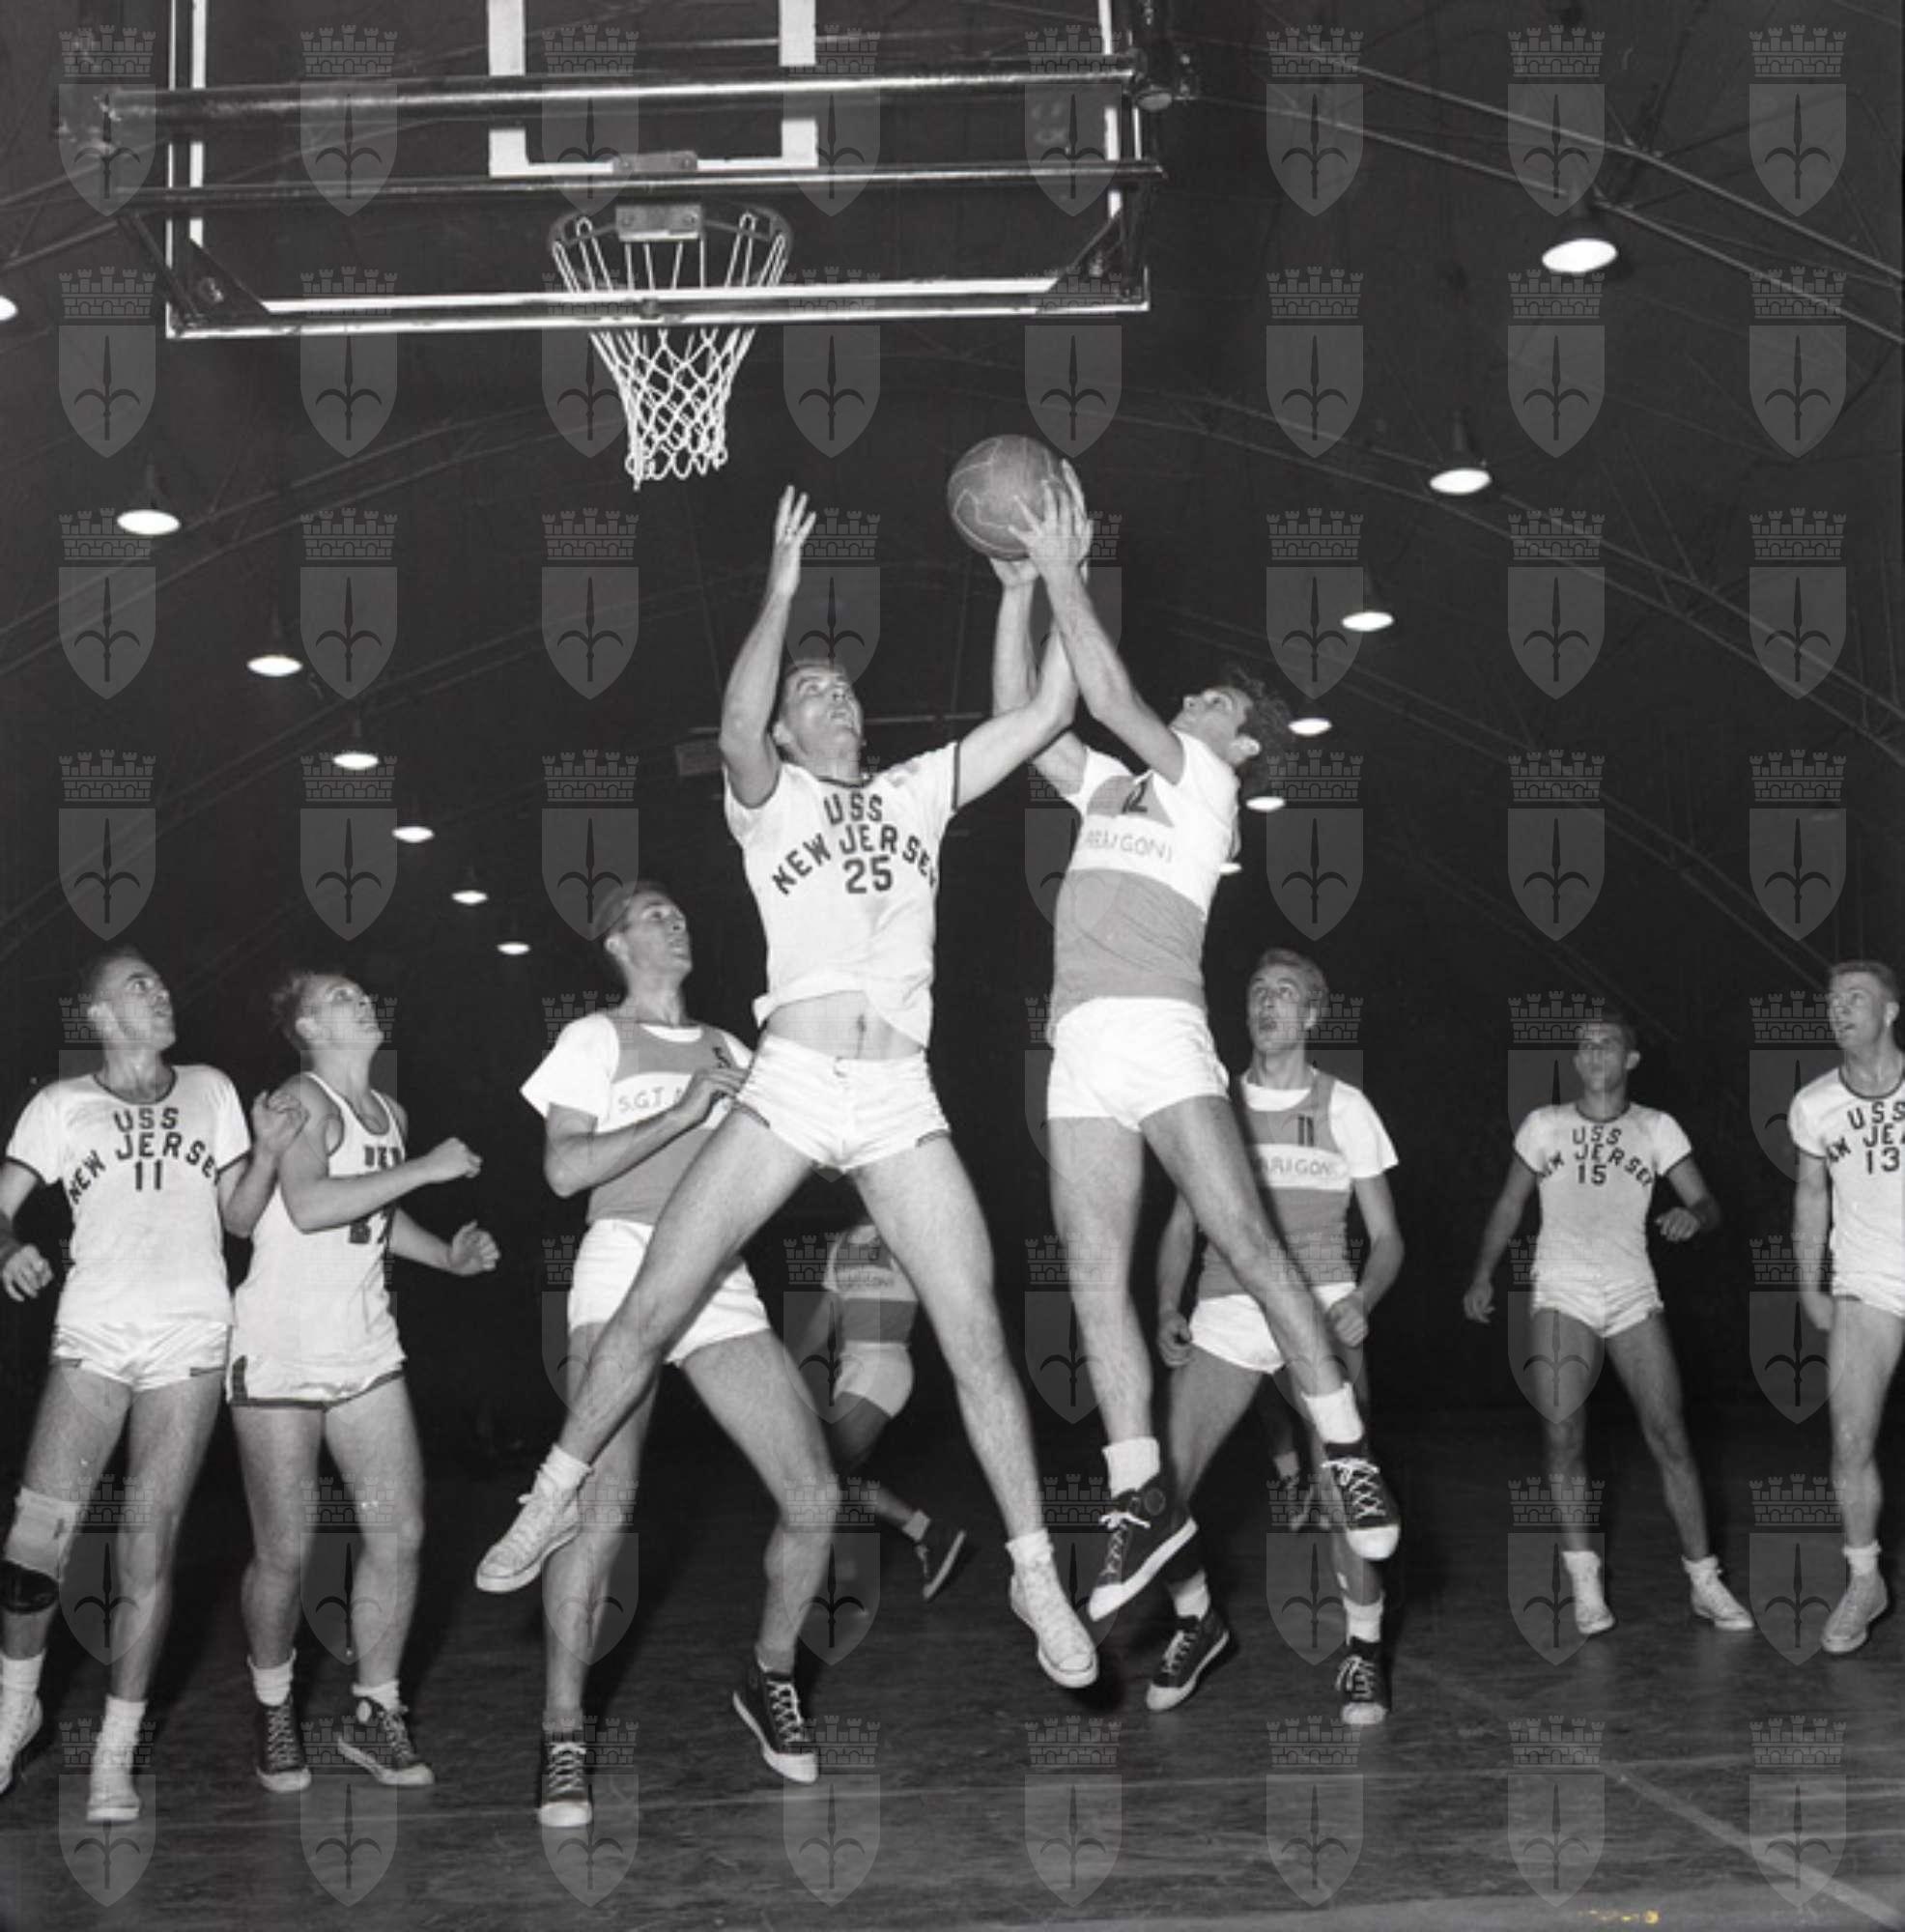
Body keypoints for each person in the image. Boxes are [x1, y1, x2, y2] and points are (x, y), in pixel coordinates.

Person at [478, 487, 1096, 1761]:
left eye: (845, 692)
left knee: (978, 1331)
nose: (837, 702)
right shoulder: (768, 803)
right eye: (815, 693)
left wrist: (1032, 582)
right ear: (784, 726)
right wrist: (776, 589)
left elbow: (1043, 711)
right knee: (656, 1296)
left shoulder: (918, 789)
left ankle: (1037, 1572)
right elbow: (734, 723)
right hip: (796, 1076)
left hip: (898, 1092)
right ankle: (551, 1494)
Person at [997, 472, 1398, 1622]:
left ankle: (1343, 1443)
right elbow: (1023, 722)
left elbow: (1110, 690)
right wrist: (1018, 593)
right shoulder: (1117, 784)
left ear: (1242, 737)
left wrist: (1066, 569)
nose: (1192, 698)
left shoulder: (1206, 782)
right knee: (1090, 1273)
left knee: (1250, 1242)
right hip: (1080, 1040)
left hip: (1161, 1029)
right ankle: (1139, 1492)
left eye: (1215, 698)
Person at [523, 880, 849, 1811]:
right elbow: (563, 1170)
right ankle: (562, 1733)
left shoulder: (732, 1048)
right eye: (655, 915)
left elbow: (801, 1157)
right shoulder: (594, 1038)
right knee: (603, 1511)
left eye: (681, 911)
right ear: (616, 943)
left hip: (715, 1275)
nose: (677, 921)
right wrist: (679, 1112)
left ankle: (769, 1676)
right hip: (623, 1262)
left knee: (816, 1496)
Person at [0, 949, 297, 1821]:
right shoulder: (60, 1106)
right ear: (98, 1015)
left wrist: (268, 1154)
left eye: (163, 984)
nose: (161, 993)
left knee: (147, 1549)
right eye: (139, 987)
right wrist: (9, 1248)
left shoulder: (211, 1089)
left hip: (190, 1340)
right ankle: (14, 1710)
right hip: (93, 1336)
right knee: (33, 1545)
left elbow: (238, 1216)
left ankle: (115, 1754)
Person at [230, 970, 498, 1796]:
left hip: (365, 1347)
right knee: (286, 1551)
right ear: (309, 1029)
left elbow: (373, 1217)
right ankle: (273, 1704)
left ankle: (374, 1711)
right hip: (281, 1348)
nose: (361, 1002)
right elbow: (311, 1205)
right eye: (340, 998)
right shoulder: (298, 1100)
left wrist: (444, 1255)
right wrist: (424, 1170)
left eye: (361, 993)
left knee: (400, 1533)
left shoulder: (390, 1113)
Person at [1149, 950, 1405, 1721]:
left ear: (1313, 1014)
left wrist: (1362, 1297)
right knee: (1157, 1489)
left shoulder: (1345, 1107)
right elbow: (1182, 1226)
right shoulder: (1214, 1106)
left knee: (1343, 1492)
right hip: (1228, 1309)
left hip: (1317, 1308)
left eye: (1285, 994)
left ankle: (1363, 1652)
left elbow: (1388, 1239)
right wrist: (1166, 1306)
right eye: (1258, 991)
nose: (1267, 1004)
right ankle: (1197, 1619)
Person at [1464, 1011, 1751, 1639]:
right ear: (1576, 1059)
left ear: (1631, 1060)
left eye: (1608, 1044)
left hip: (1630, 1291)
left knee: (1669, 1434)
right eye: (1585, 1044)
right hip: (1561, 1290)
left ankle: (1705, 1580)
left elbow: (1707, 1202)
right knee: (1564, 1436)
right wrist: (1483, 1273)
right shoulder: (1544, 1124)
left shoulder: (1657, 1127)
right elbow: (1510, 1203)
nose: (1594, 1053)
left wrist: (1695, 1217)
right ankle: (1585, 1582)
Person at [1788, 959, 1905, 1656]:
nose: (1840, 1009)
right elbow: (1811, 1195)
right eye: (1833, 1001)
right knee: (1851, 1439)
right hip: (1868, 1282)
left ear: (1890, 1012)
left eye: (1857, 998)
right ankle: (1865, 1579)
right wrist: (1810, 1283)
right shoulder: (1814, 1105)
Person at [786, 1215, 970, 1601]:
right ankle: (928, 1534)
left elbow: (947, 1290)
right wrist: (789, 1370)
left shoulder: (901, 1232)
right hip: (850, 1369)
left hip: (884, 1366)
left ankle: (839, 1572)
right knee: (834, 1477)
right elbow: (824, 1318)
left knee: (821, 1474)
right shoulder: (841, 1244)